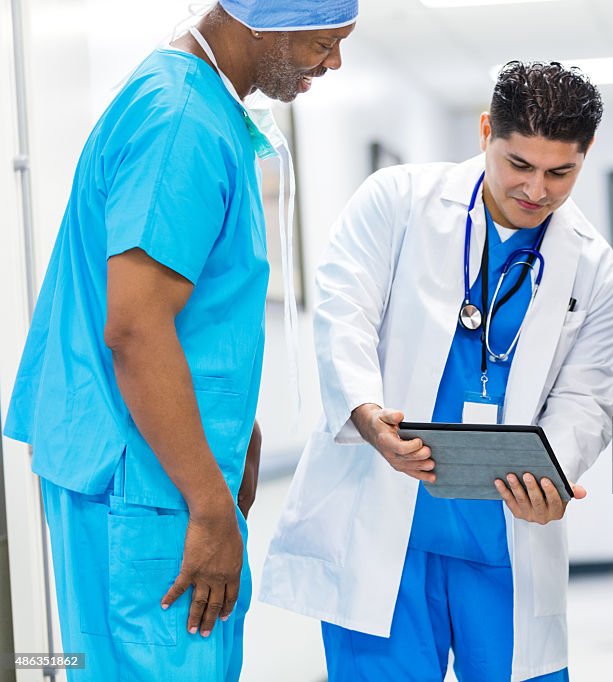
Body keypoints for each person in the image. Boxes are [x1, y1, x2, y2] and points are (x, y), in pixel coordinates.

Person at [2, 2, 357, 680]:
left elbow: (193, 312)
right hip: (142, 481)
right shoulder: (180, 122)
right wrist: (208, 500)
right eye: (324, 41)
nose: (333, 62)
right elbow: (135, 328)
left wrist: (230, 428)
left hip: (156, 466)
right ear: (266, 18)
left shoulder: (197, 107)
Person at [260, 61, 613, 681]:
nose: (537, 190)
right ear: (487, 130)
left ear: (585, 157)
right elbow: (342, 309)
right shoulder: (397, 202)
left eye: (560, 172)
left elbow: (586, 400)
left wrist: (555, 474)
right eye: (519, 165)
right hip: (386, 523)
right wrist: (364, 410)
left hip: (504, 534)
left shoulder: (597, 271)